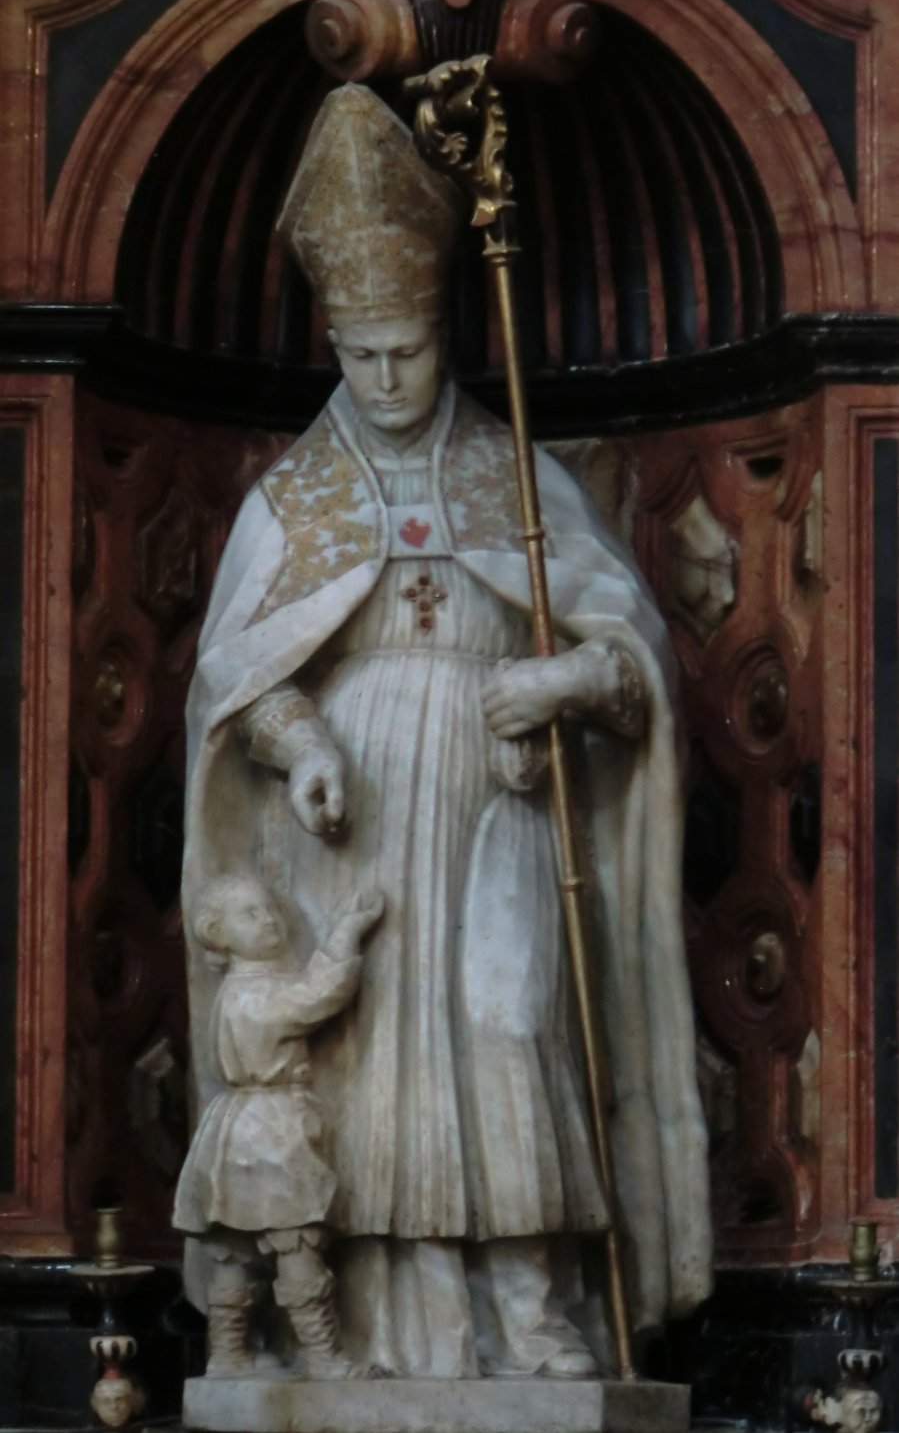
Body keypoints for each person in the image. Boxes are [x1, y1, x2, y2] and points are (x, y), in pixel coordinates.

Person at [182, 83, 711, 1379]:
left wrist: (559, 686)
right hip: (346, 835)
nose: (385, 379)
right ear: (332, 344)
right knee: (362, 1076)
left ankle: (533, 1314)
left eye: (407, 351)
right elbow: (234, 689)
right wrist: (301, 744)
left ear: (442, 332)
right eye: (360, 357)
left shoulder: (514, 474)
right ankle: (366, 1324)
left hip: (496, 817)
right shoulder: (294, 498)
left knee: (507, 1040)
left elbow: (629, 658)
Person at [173, 874, 383, 1377]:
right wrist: (346, 935)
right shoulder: (253, 994)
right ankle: (322, 1357)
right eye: (250, 913)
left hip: (233, 1131)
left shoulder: (239, 988)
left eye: (270, 909)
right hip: (268, 1132)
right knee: (295, 1244)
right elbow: (317, 996)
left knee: (235, 1252)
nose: (268, 919)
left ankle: (228, 1355)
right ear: (217, 934)